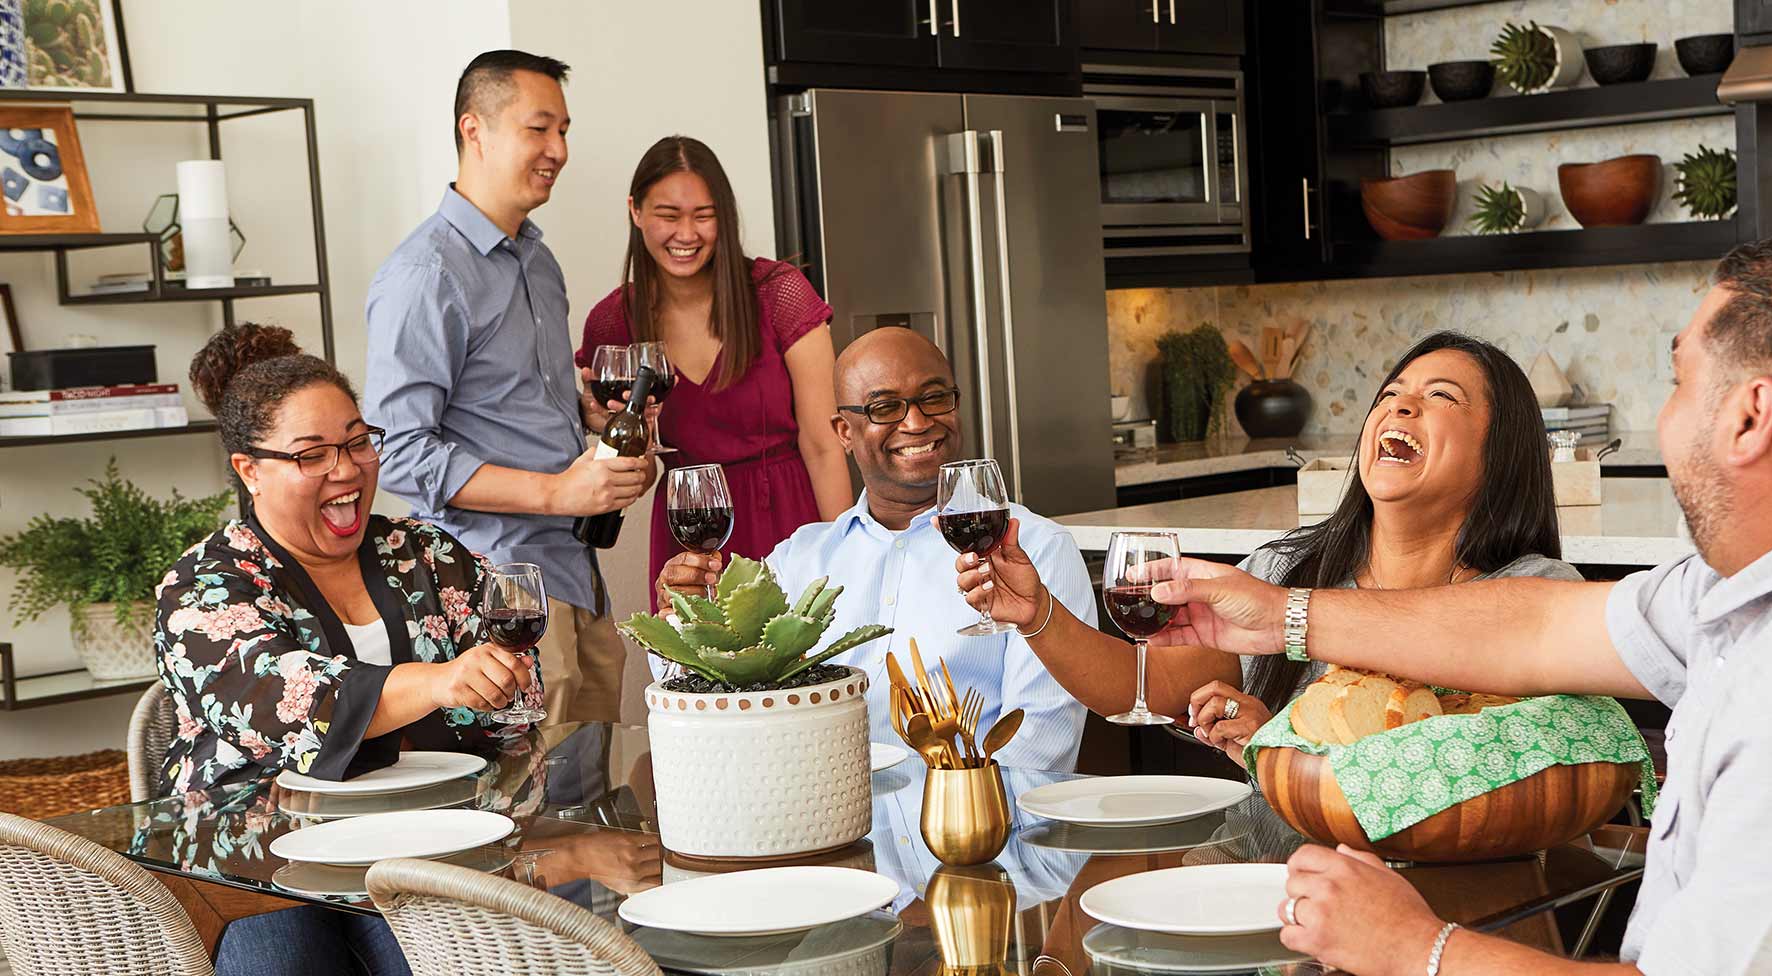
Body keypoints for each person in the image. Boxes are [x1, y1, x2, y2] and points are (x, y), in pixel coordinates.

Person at [1148, 237, 1772, 975]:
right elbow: (1537, 625)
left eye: (1676, 383)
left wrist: (1416, 948)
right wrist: (1281, 615)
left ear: (1749, 417)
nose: (1664, 420)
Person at [953, 332, 1579, 766]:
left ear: (1501, 452)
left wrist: (1285, 747)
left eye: (1442, 396)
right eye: (1389, 394)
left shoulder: (1539, 593)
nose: (1401, 403)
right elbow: (1137, 685)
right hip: (1276, 894)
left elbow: (1480, 776)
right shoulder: (1285, 570)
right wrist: (1037, 617)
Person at [160, 323, 539, 976]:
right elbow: (290, 701)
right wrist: (442, 683)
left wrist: (493, 684)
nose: (346, 469)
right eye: (312, 455)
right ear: (249, 470)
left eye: (357, 442)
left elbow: (518, 699)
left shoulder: (424, 553)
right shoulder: (204, 587)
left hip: (426, 840)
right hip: (257, 854)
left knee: (462, 958)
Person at [365, 50, 652, 726]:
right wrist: (556, 492)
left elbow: (509, 399)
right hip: (496, 591)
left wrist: (588, 414)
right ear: (476, 130)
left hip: (575, 577)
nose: (559, 149)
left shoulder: (538, 261)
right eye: (539, 129)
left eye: (565, 131)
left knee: (593, 805)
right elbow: (399, 451)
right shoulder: (424, 275)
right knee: (528, 814)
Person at [659, 329, 1090, 771]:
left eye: (935, 398)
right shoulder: (796, 561)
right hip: (824, 822)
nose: (918, 423)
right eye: (886, 408)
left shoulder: (1037, 549)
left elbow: (1040, 748)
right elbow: (725, 710)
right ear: (844, 432)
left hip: (980, 832)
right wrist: (685, 624)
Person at [575, 135, 850, 608]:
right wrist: (606, 429)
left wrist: (845, 559)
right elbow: (632, 468)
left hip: (790, 519)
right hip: (687, 535)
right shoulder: (612, 321)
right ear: (635, 211)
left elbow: (824, 445)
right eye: (668, 215)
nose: (687, 233)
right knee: (700, 676)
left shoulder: (777, 294)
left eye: (704, 215)